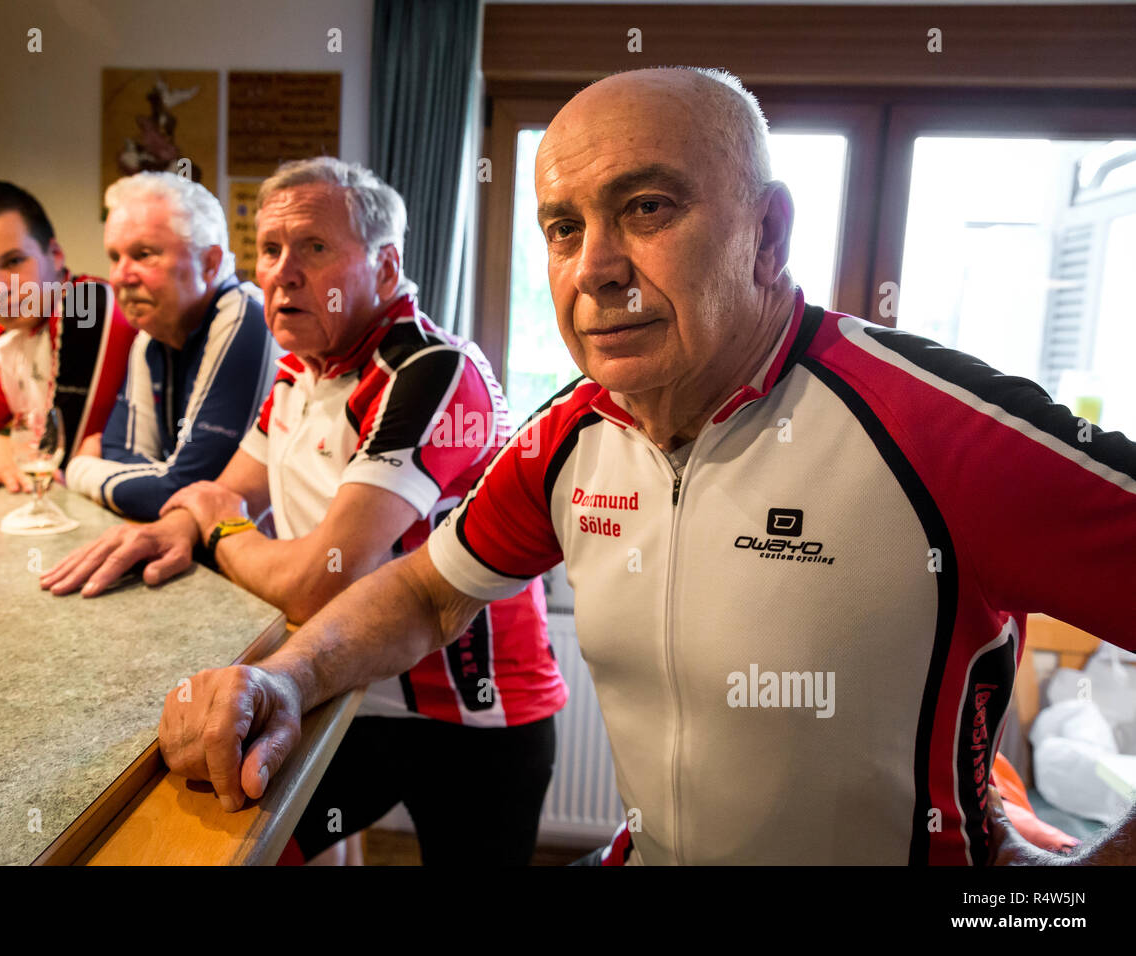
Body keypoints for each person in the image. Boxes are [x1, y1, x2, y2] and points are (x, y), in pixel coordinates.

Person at [150, 67, 1136, 866]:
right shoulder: (570, 435)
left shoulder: (933, 424)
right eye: (563, 226)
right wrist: (286, 676)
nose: (595, 268)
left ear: (768, 233)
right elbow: (420, 591)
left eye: (649, 206)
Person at [42, 158, 568, 865]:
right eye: (269, 250)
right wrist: (172, 525)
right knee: (236, 844)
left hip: (475, 714)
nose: (282, 273)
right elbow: (225, 490)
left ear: (385, 268)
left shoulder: (432, 370)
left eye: (314, 248)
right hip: (344, 678)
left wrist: (220, 528)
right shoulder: (300, 368)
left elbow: (322, 575)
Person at [64, 172, 274, 521]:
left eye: (144, 255)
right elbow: (121, 452)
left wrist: (79, 468)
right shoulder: (151, 334)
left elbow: (186, 487)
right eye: (115, 257)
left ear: (208, 263)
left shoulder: (244, 316)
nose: (120, 276)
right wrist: (153, 477)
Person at [0, 179, 136, 491]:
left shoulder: (88, 306)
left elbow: (59, 464)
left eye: (13, 261)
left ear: (55, 254)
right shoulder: (3, 337)